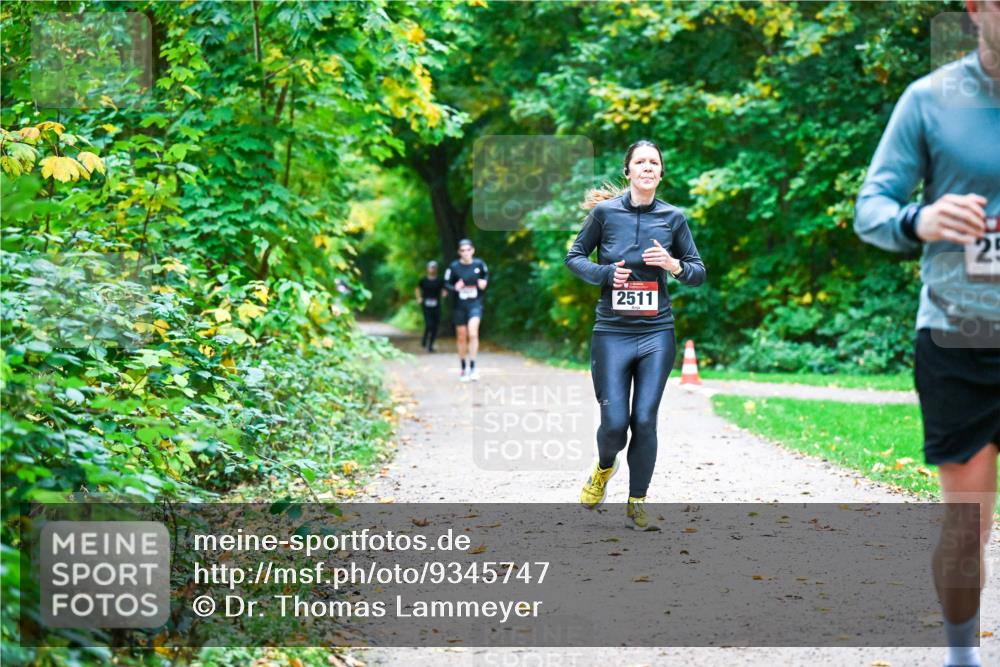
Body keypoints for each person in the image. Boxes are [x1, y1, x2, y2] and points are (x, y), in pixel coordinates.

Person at [854, 3, 999, 665]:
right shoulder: (931, 100)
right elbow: (871, 208)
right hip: (959, 335)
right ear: (975, 8)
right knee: (968, 528)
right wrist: (920, 219)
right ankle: (961, 653)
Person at [565, 139, 706, 531]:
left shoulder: (673, 218)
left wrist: (674, 265)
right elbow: (574, 257)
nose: (647, 167)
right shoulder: (606, 215)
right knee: (614, 426)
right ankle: (603, 468)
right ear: (627, 171)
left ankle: (637, 505)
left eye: (654, 162)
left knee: (644, 420)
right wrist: (606, 274)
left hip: (657, 332)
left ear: (661, 173)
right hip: (611, 331)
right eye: (640, 162)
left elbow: (697, 271)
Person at [444, 239, 489, 381]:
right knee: (462, 336)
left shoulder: (479, 264)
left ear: (473, 251)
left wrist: (484, 283)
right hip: (459, 306)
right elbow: (446, 283)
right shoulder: (454, 267)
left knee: (473, 333)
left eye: (468, 250)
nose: (465, 253)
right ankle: (464, 368)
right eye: (462, 250)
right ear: (459, 252)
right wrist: (454, 288)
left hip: (475, 304)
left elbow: (486, 277)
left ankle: (473, 367)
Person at [415, 261, 446, 352]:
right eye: (430, 267)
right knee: (429, 324)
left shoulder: (440, 280)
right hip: (426, 305)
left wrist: (444, 293)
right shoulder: (423, 280)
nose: (432, 269)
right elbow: (417, 289)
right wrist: (419, 298)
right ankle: (424, 341)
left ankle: (430, 345)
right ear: (427, 269)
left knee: (435, 326)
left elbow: (444, 289)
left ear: (436, 269)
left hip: (436, 305)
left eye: (434, 267)